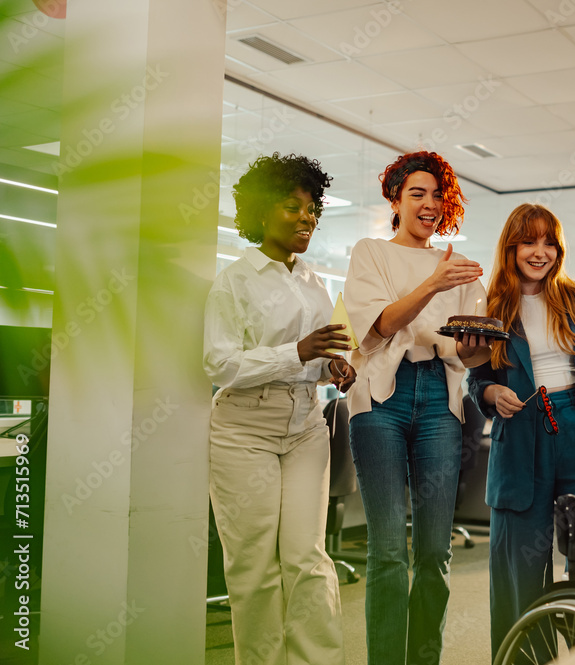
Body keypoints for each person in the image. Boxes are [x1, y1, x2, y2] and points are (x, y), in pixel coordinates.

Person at [203, 153, 356, 665]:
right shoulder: (234, 281)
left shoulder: (316, 284)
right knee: (255, 567)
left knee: (308, 559)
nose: (306, 218)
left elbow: (318, 359)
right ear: (262, 211)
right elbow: (220, 365)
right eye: (293, 207)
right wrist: (298, 352)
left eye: (313, 209)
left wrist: (333, 369)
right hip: (244, 430)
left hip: (306, 425)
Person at [344, 150, 491, 665]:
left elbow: (465, 350)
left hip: (439, 400)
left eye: (436, 195)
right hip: (381, 399)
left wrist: (481, 342)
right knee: (387, 551)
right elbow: (380, 327)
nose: (428, 204)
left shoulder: (461, 270)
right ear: (396, 199)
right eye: (416, 194)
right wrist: (434, 283)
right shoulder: (372, 253)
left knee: (434, 552)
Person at [467, 203, 575, 657]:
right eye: (529, 242)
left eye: (549, 242)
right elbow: (478, 378)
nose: (540, 252)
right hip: (522, 432)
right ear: (511, 247)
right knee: (522, 565)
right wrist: (492, 396)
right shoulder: (489, 303)